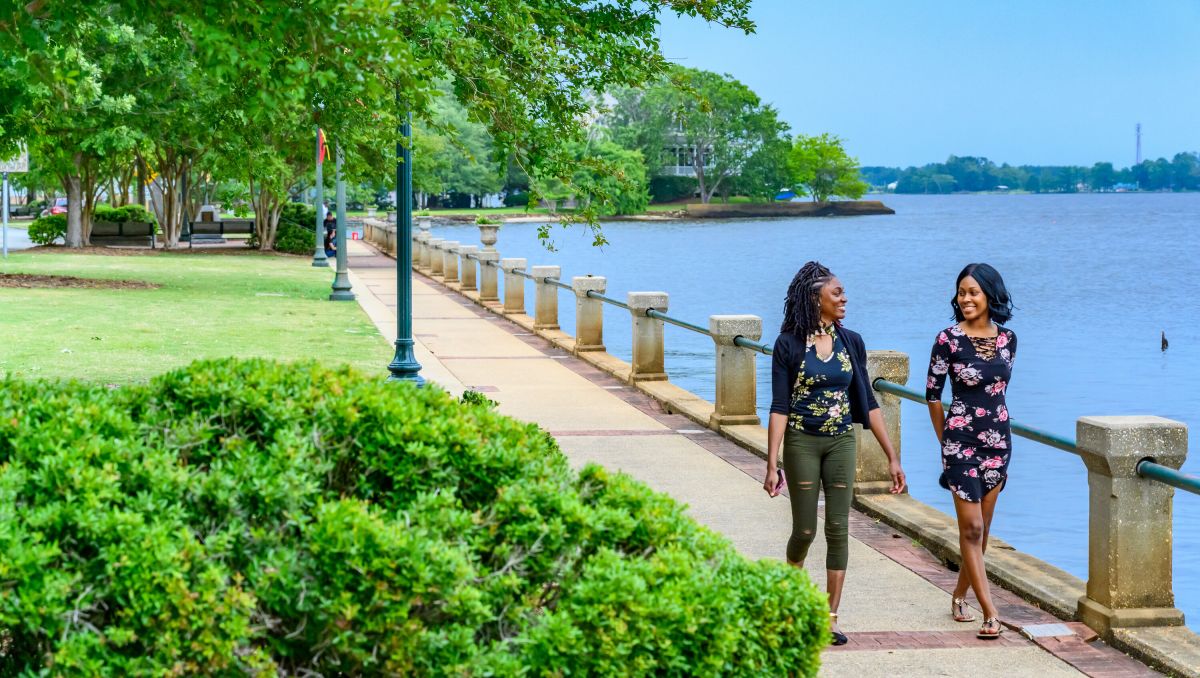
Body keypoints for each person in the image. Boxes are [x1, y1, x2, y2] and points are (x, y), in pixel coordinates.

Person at [764, 261, 906, 646]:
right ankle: (791, 607)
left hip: (842, 442)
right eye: (837, 293)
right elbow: (779, 406)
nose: (844, 298)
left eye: (843, 293)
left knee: (838, 529)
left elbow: (868, 402)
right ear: (816, 298)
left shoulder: (851, 342)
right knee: (805, 530)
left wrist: (892, 457)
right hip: (801, 442)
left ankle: (829, 619)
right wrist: (772, 461)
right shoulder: (788, 345)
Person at [925, 263, 1016, 640]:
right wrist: (945, 439)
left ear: (989, 296)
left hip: (998, 441)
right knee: (972, 527)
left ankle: (960, 593)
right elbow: (933, 394)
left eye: (973, 292)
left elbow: (998, 390)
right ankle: (990, 613)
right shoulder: (947, 339)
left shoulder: (1009, 339)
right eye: (961, 292)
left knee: (983, 530)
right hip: (959, 441)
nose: (966, 299)